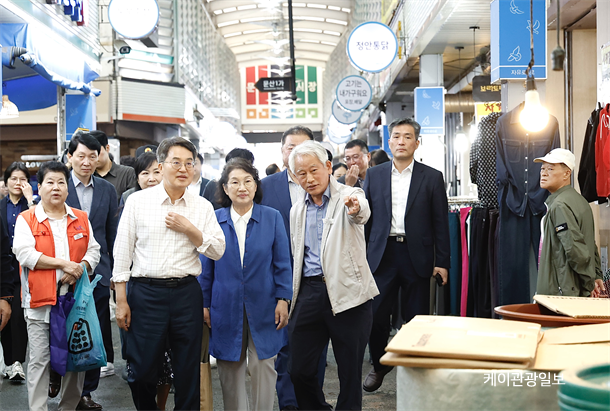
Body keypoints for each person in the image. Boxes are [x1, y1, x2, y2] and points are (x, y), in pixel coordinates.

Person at [113, 136, 225, 411]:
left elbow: (218, 250)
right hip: (145, 293)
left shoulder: (201, 206)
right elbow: (122, 252)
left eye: (189, 163)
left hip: (186, 293)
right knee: (141, 371)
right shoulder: (138, 202)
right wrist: (121, 300)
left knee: (187, 371)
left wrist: (190, 229)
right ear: (161, 166)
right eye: (176, 162)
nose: (183, 169)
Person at [288, 140, 378, 410]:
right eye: (301, 173)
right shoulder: (297, 209)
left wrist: (355, 208)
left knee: (350, 373)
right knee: (298, 370)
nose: (309, 178)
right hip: (309, 292)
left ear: (328, 166)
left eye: (314, 170)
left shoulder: (350, 194)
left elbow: (361, 212)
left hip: (349, 292)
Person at [363, 117, 450, 392]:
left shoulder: (432, 177)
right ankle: (379, 365)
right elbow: (365, 221)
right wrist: (360, 259)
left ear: (417, 143)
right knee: (376, 316)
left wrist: (442, 262)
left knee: (416, 318)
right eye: (397, 136)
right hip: (382, 254)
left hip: (417, 255)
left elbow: (440, 223)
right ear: (389, 142)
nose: (401, 141)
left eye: (408, 137)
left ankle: (415, 368)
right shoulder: (374, 175)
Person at [199, 158, 292, 410]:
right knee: (230, 366)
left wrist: (283, 299)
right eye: (235, 182)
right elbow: (205, 268)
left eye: (247, 181)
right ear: (225, 188)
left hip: (265, 303)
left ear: (256, 185)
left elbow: (283, 263)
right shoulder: (214, 219)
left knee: (264, 364)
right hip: (224, 304)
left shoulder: (272, 218)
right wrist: (204, 304)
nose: (242, 187)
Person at [13, 161, 101, 411]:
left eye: (61, 182)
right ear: (39, 187)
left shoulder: (80, 218)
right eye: (50, 182)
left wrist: (81, 267)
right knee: (40, 361)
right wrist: (65, 264)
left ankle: (68, 407)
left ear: (67, 187)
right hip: (39, 303)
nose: (56, 187)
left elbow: (94, 250)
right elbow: (25, 254)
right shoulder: (27, 219)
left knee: (76, 358)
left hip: (74, 302)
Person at [260, 125, 318, 411]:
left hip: (316, 277)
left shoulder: (325, 184)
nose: (296, 153)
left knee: (315, 345)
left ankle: (312, 402)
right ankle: (289, 405)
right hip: (278, 276)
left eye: (303, 148)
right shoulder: (265, 186)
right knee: (283, 344)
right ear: (282, 152)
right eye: (290, 148)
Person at [65, 133, 119, 409]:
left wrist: (114, 272)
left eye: (92, 156)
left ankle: (86, 391)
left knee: (93, 331)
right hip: (64, 271)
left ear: (100, 157)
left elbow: (112, 234)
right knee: (62, 328)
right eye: (81, 156)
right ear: (70, 157)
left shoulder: (107, 190)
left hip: (97, 273)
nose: (87, 162)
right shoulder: (59, 184)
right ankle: (60, 379)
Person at [534, 149, 605, 297]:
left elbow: (575, 249)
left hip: (562, 292)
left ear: (567, 174)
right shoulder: (580, 201)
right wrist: (596, 274)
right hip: (572, 289)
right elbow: (589, 244)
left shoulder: (559, 205)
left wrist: (589, 282)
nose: (544, 173)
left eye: (550, 169)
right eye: (542, 169)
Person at [1, 162, 34, 382]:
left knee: (19, 317)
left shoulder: (32, 206)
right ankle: (9, 362)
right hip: (4, 267)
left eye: (23, 179)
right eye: (13, 178)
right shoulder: (0, 206)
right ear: (6, 182)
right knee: (5, 313)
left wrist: (31, 199)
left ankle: (16, 362)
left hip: (25, 267)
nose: (18, 183)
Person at [91, 130, 137, 200]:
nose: (93, 156)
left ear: (107, 148)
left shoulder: (127, 174)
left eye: (97, 151)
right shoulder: (87, 176)